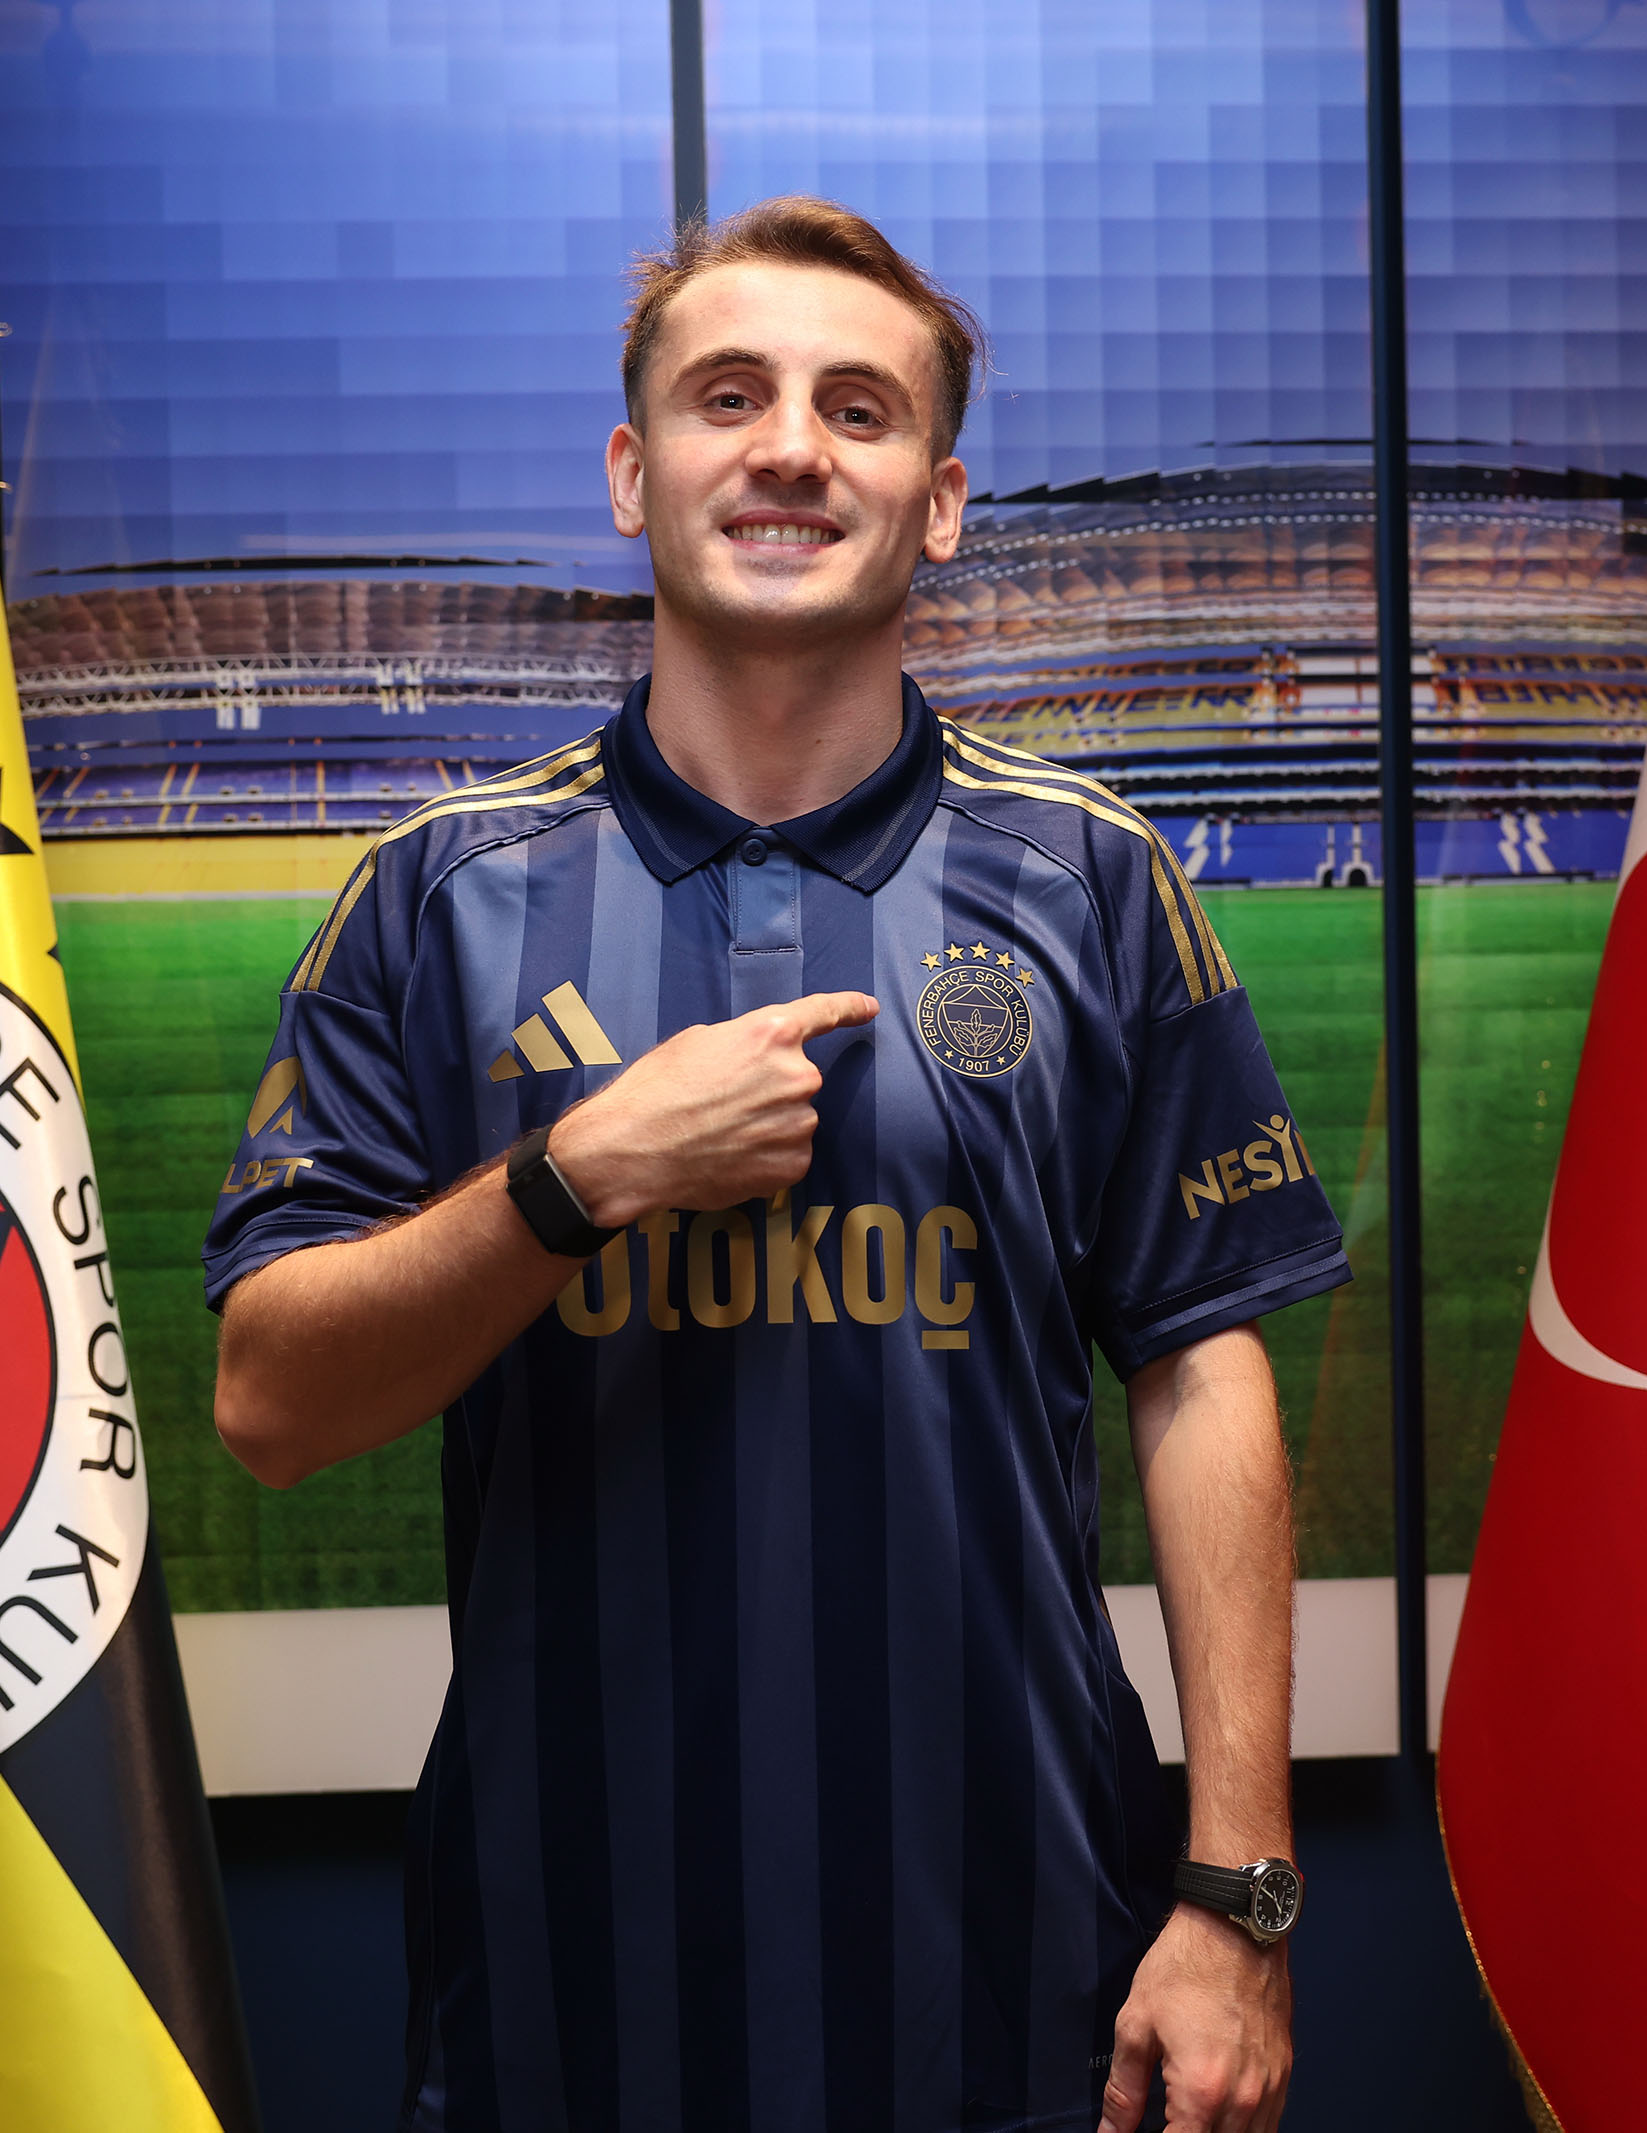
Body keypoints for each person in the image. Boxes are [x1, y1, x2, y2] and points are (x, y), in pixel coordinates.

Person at [205, 196, 1347, 2133]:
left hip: (1020, 1970)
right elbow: (271, 1403)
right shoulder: (438, 895)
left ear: (942, 501)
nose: (793, 447)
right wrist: (573, 1178)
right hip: (567, 1978)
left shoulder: (1091, 877)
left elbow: (1198, 1366)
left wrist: (1238, 1893)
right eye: (728, 396)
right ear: (633, 472)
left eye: (859, 408)